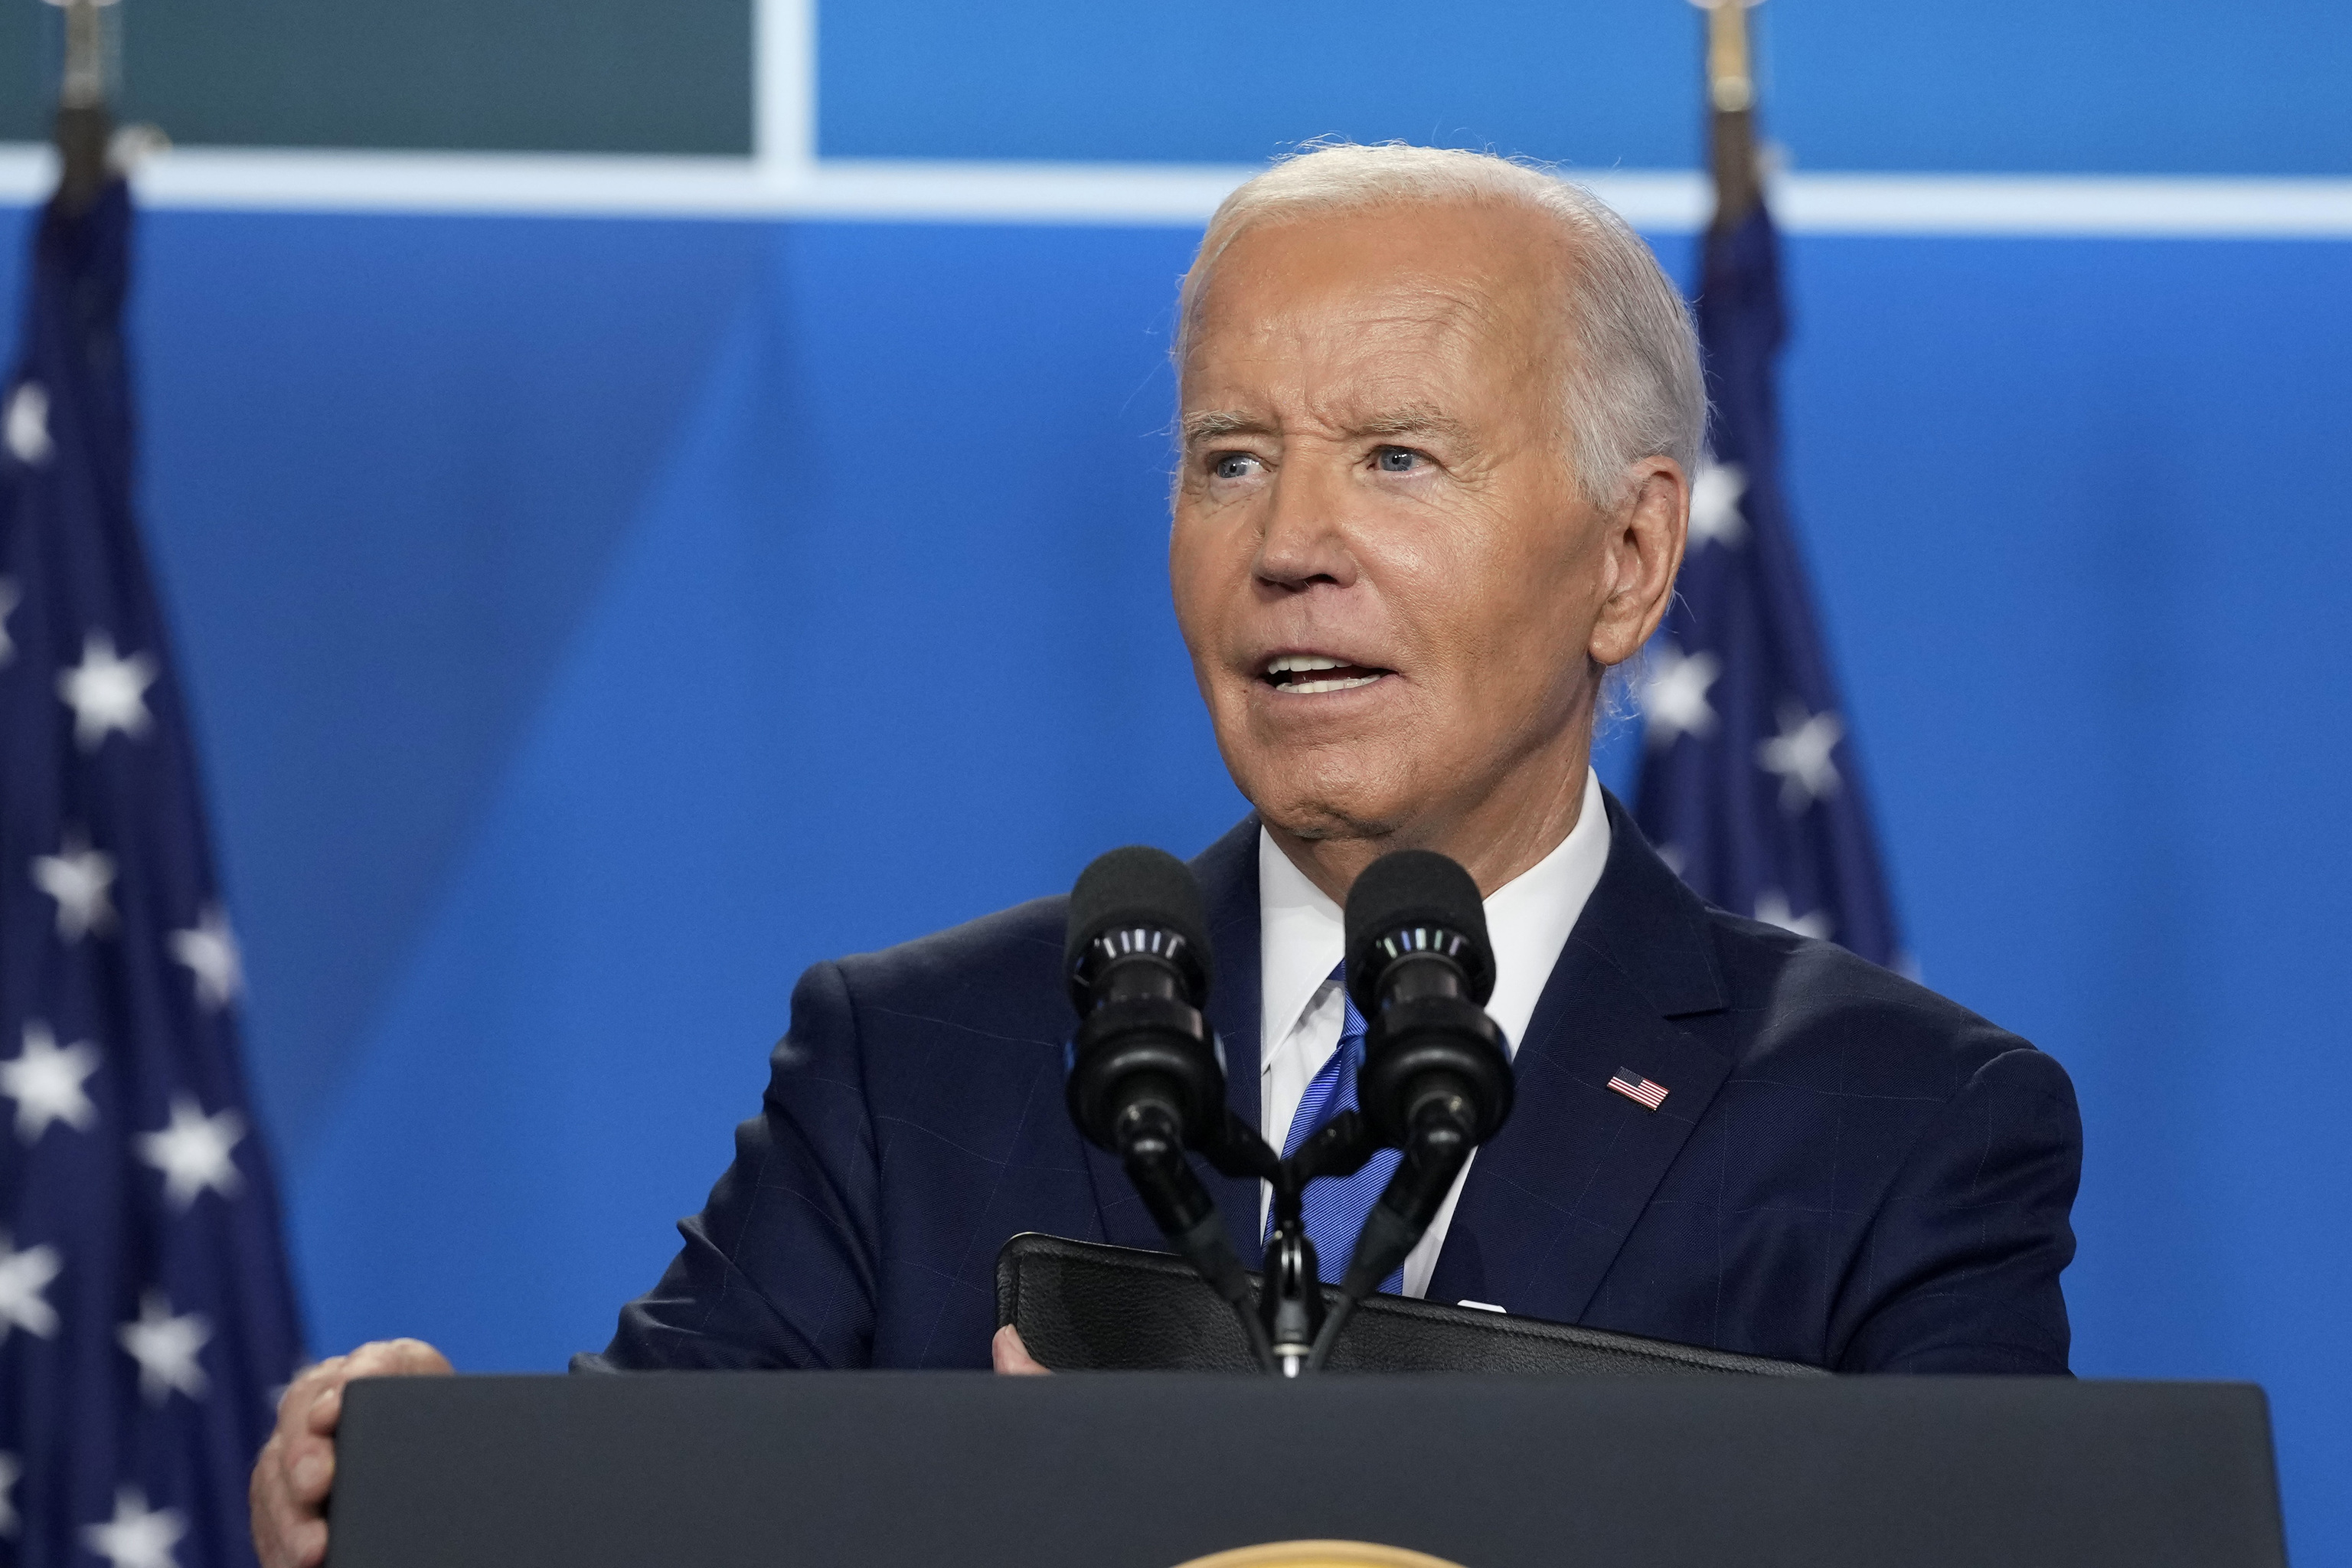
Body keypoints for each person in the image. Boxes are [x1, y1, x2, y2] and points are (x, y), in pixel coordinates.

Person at [250, 143, 2079, 1566]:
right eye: (1226, 460)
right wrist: (434, 1488)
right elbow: (635, 1519)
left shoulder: (1898, 1124)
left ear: (1630, 558)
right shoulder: (919, 1064)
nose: (1290, 543)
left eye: (1398, 459)